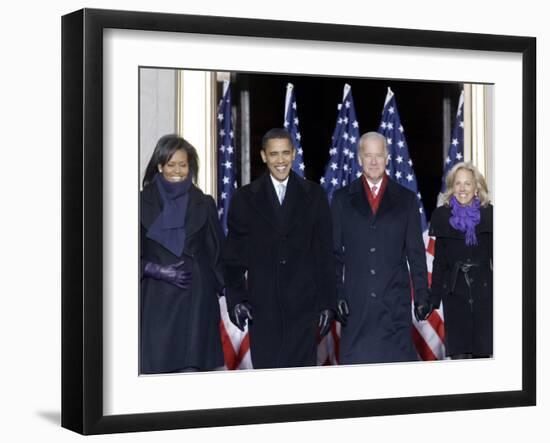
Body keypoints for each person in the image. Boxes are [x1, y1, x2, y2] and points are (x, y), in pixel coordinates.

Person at [223, 128, 337, 369]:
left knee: (301, 389)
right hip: (262, 310)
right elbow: (233, 258)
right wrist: (236, 300)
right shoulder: (245, 198)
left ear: (294, 154)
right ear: (264, 156)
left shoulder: (314, 196)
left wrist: (327, 302)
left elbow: (325, 255)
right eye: (274, 154)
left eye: (286, 153)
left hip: (304, 310)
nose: (280, 160)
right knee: (268, 387)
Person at [331, 131, 431, 365]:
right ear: (359, 158)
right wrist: (336, 294)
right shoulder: (342, 199)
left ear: (387, 158)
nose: (374, 161)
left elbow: (416, 254)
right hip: (356, 309)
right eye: (368, 155)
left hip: (394, 308)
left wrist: (422, 296)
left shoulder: (406, 199)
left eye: (379, 155)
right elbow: (333, 254)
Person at [140, 134, 225, 374]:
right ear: (160, 166)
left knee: (192, 380)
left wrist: (223, 290)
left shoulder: (204, 203)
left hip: (197, 305)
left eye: (183, 164)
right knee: (156, 378)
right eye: (171, 164)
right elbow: (117, 257)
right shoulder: (137, 203)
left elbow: (218, 253)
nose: (177, 170)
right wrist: (154, 270)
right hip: (156, 302)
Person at [429, 162, 493, 359]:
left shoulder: (490, 214)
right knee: (459, 361)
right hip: (455, 296)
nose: (462, 189)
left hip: (485, 297)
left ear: (476, 188)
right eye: (458, 183)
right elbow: (439, 263)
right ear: (452, 187)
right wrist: (433, 299)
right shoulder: (441, 216)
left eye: (467, 183)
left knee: (483, 360)